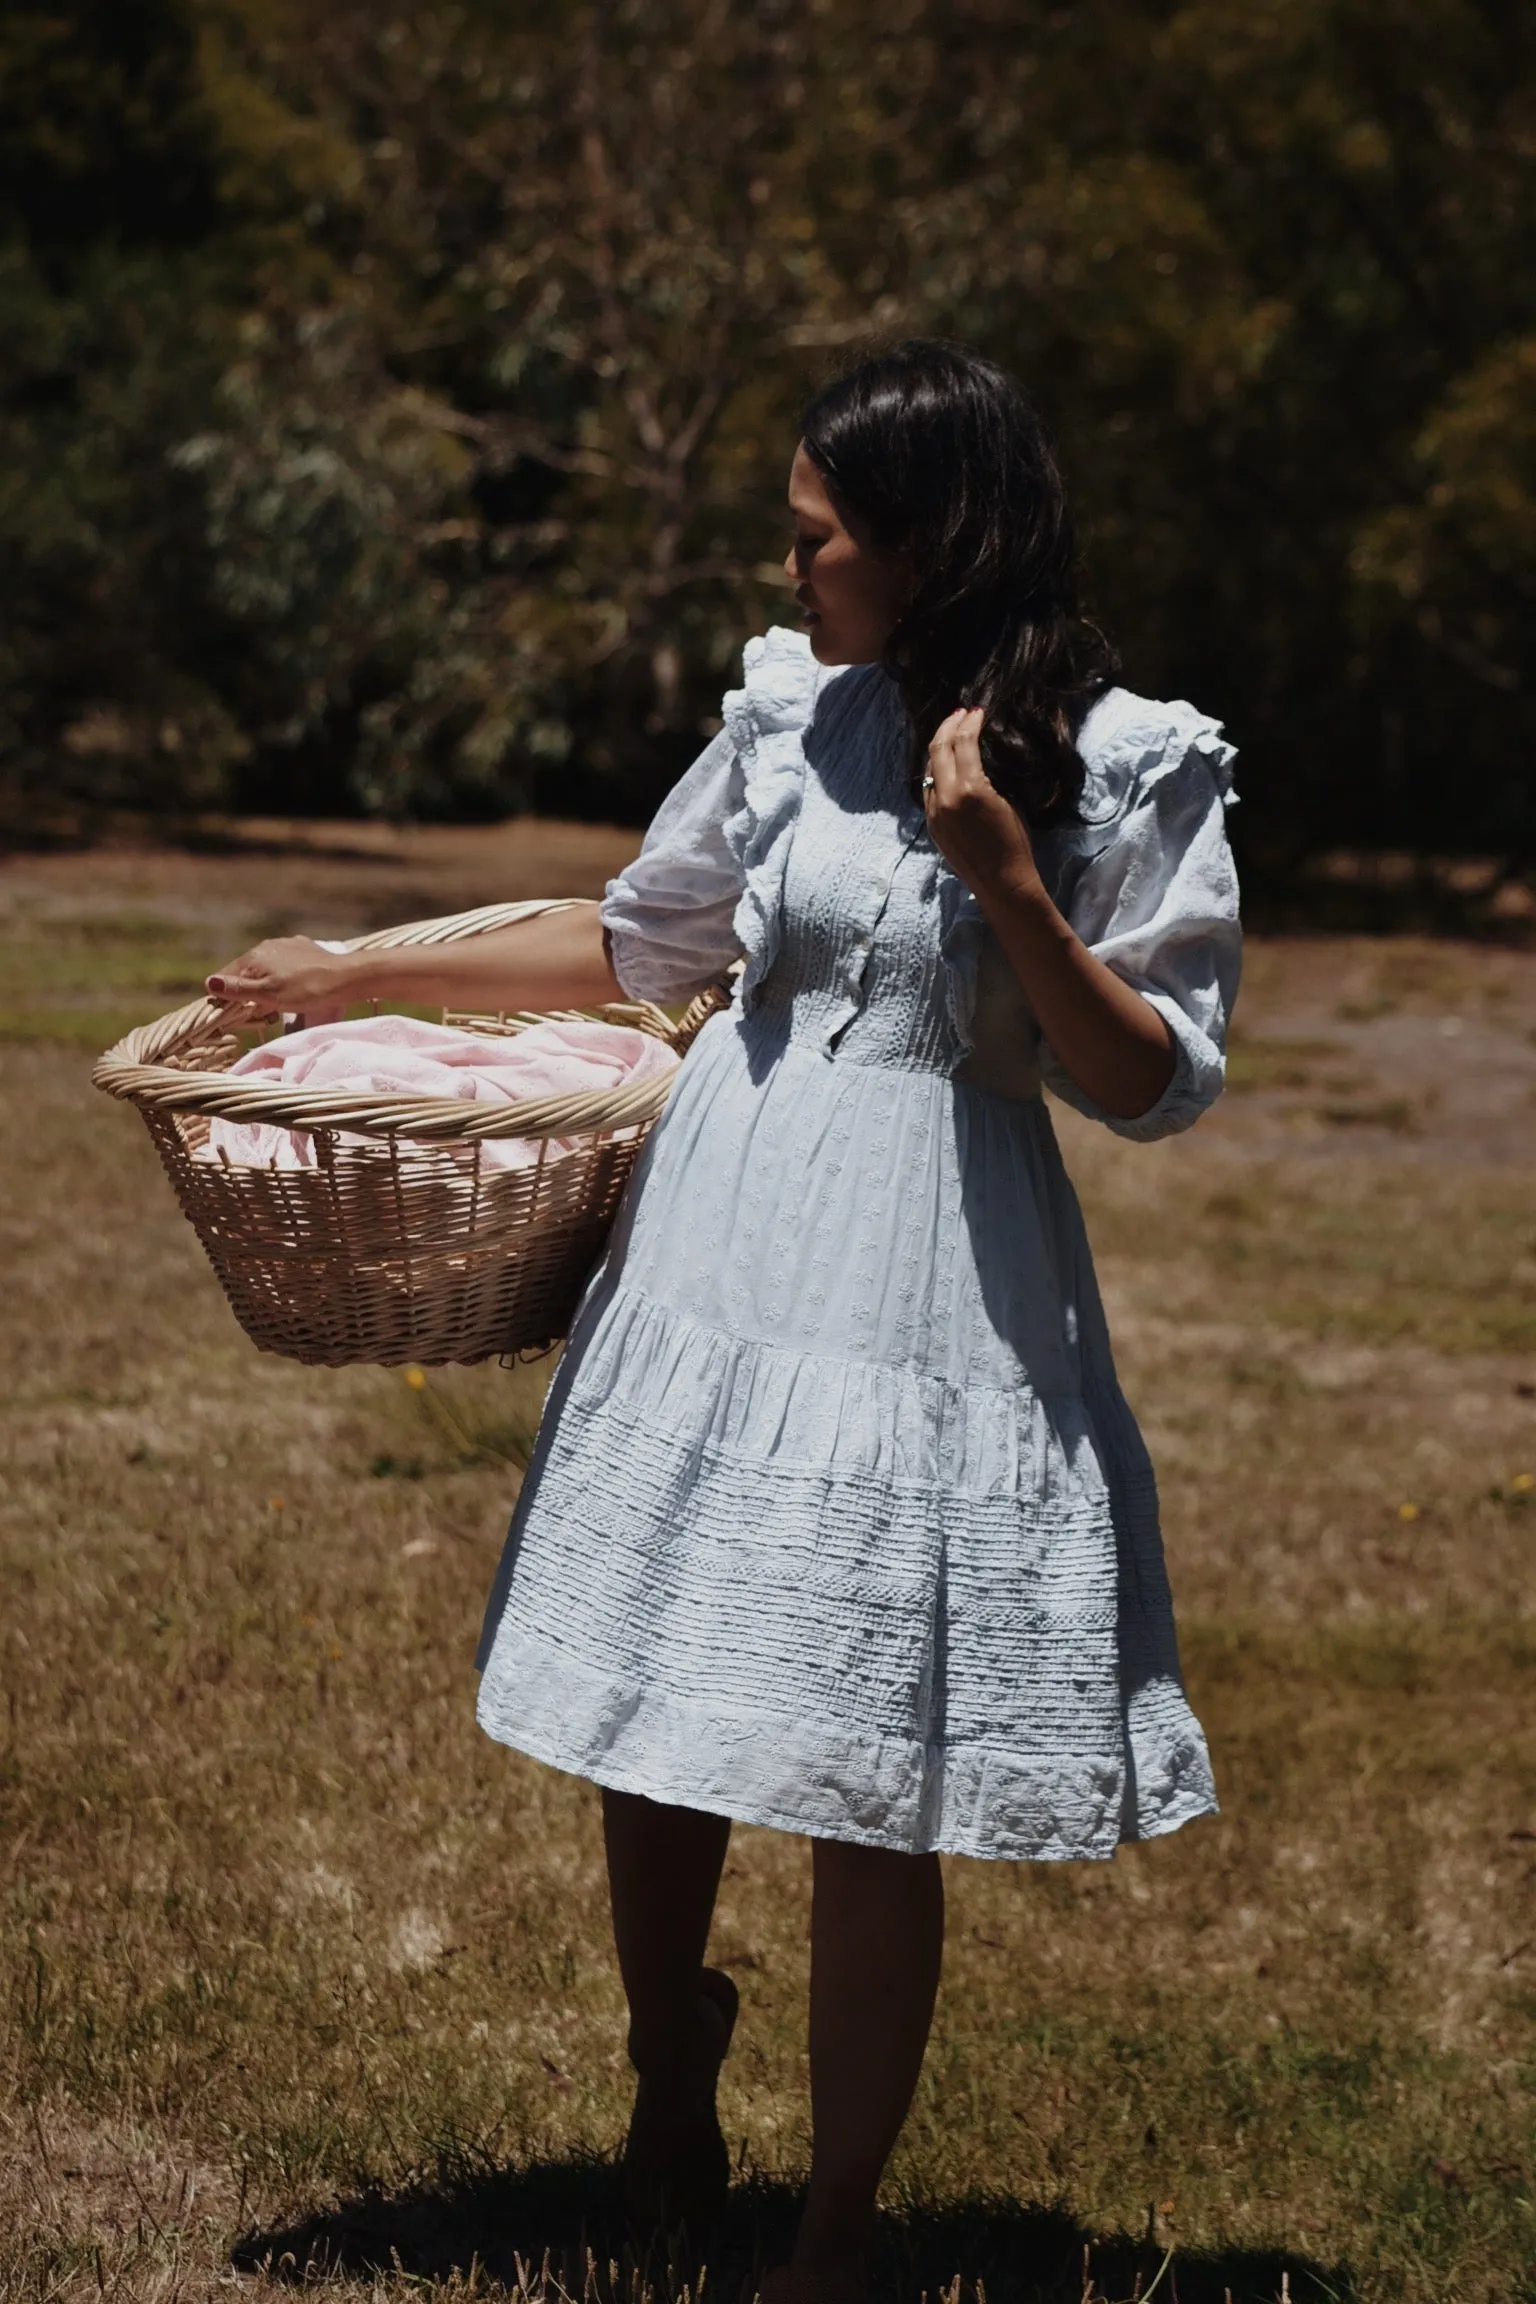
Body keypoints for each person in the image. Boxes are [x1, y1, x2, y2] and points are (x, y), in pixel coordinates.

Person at [207, 341, 1240, 2304]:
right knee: (674, 1689)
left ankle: (838, 2229)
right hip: (722, 1243)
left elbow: (1151, 1077)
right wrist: (352, 965)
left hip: (931, 1272)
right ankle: (668, 2069)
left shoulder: (1124, 762)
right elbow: (636, 943)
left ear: (933, 540)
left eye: (818, 539)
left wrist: (1010, 883)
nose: (792, 575)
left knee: (868, 1750)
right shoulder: (797, 720)